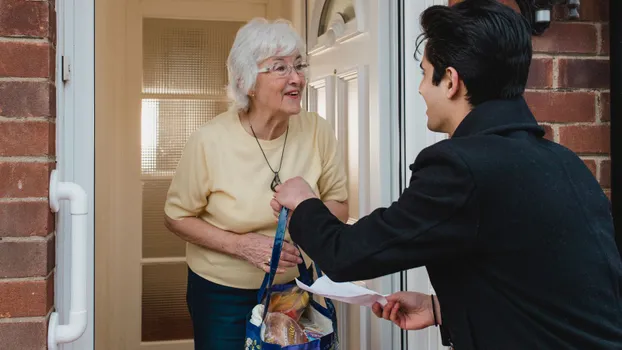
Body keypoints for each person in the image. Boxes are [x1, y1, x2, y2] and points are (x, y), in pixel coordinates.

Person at [270, 1, 622, 349]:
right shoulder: (566, 162)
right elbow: (541, 287)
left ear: (451, 81)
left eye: (425, 74)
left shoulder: (460, 168)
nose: (421, 89)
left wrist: (304, 203)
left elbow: (347, 256)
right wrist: (441, 308)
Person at [163, 18, 348, 349]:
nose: (297, 78)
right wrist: (241, 246)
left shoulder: (318, 130)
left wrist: (304, 220)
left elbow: (339, 202)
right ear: (246, 82)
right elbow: (176, 217)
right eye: (280, 68)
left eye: (299, 65)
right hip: (221, 294)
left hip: (292, 287)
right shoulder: (209, 141)